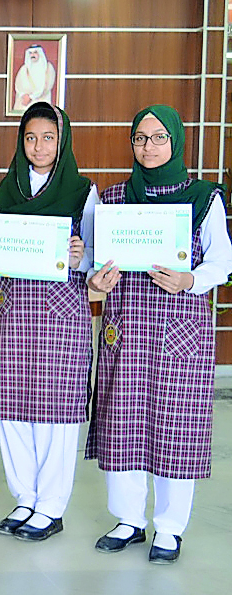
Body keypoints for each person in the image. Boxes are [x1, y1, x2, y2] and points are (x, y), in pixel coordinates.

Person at [86, 105, 232, 564]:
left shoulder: (205, 198)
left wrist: (191, 280)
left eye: (158, 138)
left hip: (180, 331)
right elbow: (93, 259)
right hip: (126, 327)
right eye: (141, 139)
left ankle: (169, 528)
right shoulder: (112, 198)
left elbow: (221, 262)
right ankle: (129, 519)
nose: (148, 147)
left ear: (176, 141)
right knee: (123, 421)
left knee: (175, 426)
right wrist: (97, 281)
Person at [0, 102, 97, 541]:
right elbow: (2, 254)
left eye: (48, 137)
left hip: (62, 313)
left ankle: (51, 505)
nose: (39, 146)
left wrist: (85, 257)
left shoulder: (83, 191)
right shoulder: (7, 191)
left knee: (56, 410)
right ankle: (24, 497)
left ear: (62, 140)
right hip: (14, 311)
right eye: (30, 137)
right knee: (13, 409)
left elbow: (100, 260)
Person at [13, 45, 56, 110]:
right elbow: (18, 85)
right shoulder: (24, 69)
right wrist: (24, 96)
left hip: (42, 102)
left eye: (35, 52)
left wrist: (31, 97)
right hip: (25, 103)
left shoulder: (48, 68)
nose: (32, 55)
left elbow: (47, 87)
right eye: (30, 53)